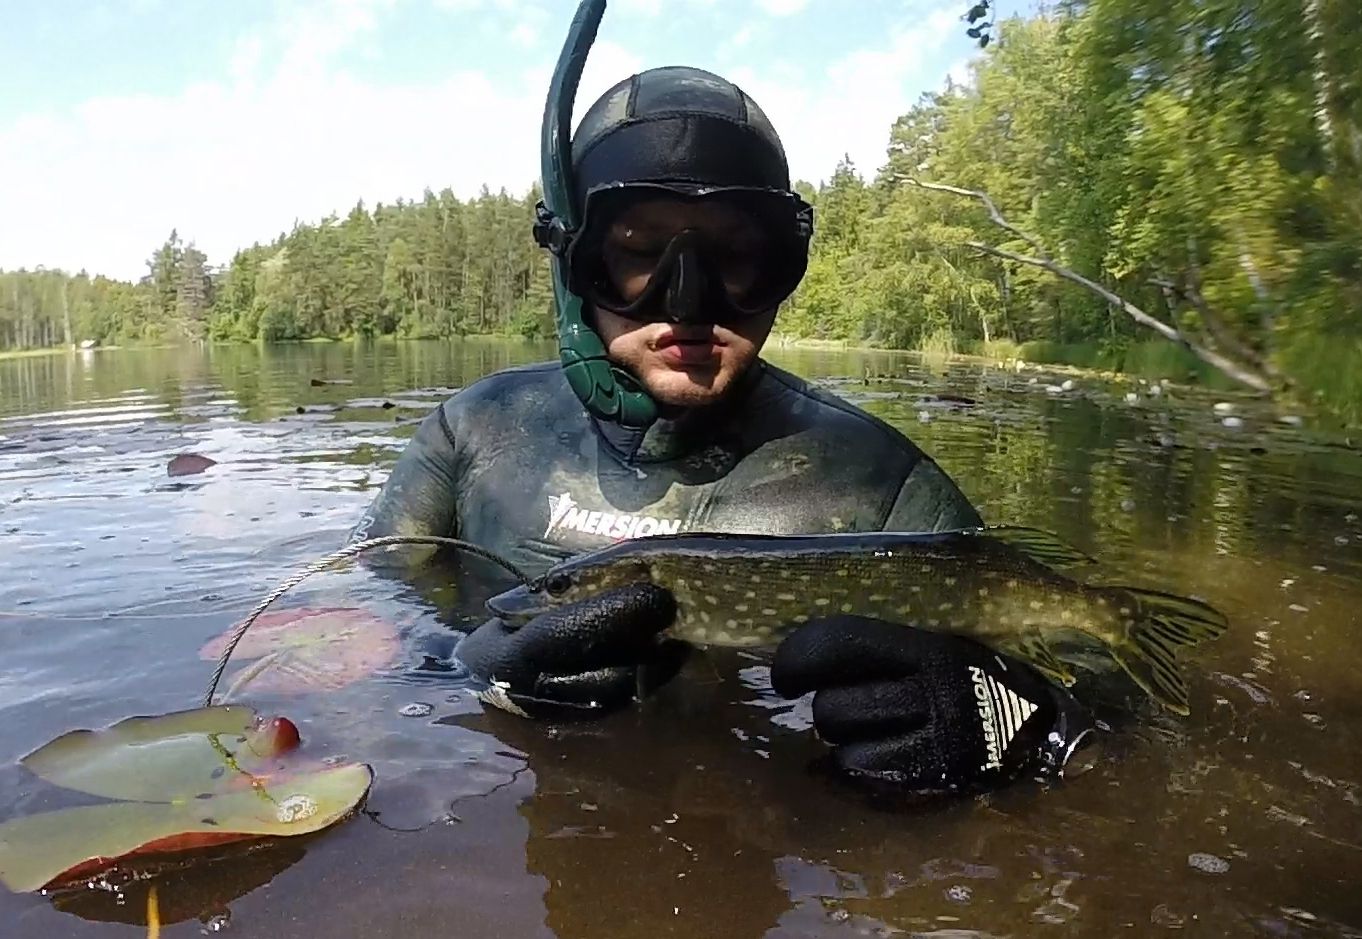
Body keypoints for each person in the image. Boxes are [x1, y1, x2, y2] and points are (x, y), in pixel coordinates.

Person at [351, 3, 1094, 795]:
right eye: (638, 252)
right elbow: (363, 621)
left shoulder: (885, 483)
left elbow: (1103, 699)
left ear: (782, 265)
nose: (688, 302)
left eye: (737, 255)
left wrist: (1014, 725)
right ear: (577, 260)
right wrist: (467, 663)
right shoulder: (472, 429)